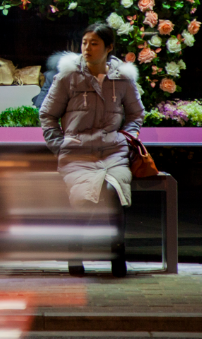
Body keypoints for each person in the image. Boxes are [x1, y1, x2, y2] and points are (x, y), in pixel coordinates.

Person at [38, 22, 144, 277]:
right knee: (86, 195)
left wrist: (127, 138)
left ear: (109, 48)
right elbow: (47, 115)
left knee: (114, 191)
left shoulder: (123, 78)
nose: (87, 48)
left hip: (113, 152)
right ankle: (75, 251)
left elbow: (136, 114)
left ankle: (118, 254)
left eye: (94, 43)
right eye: (85, 42)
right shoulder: (68, 76)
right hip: (78, 153)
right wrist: (60, 146)